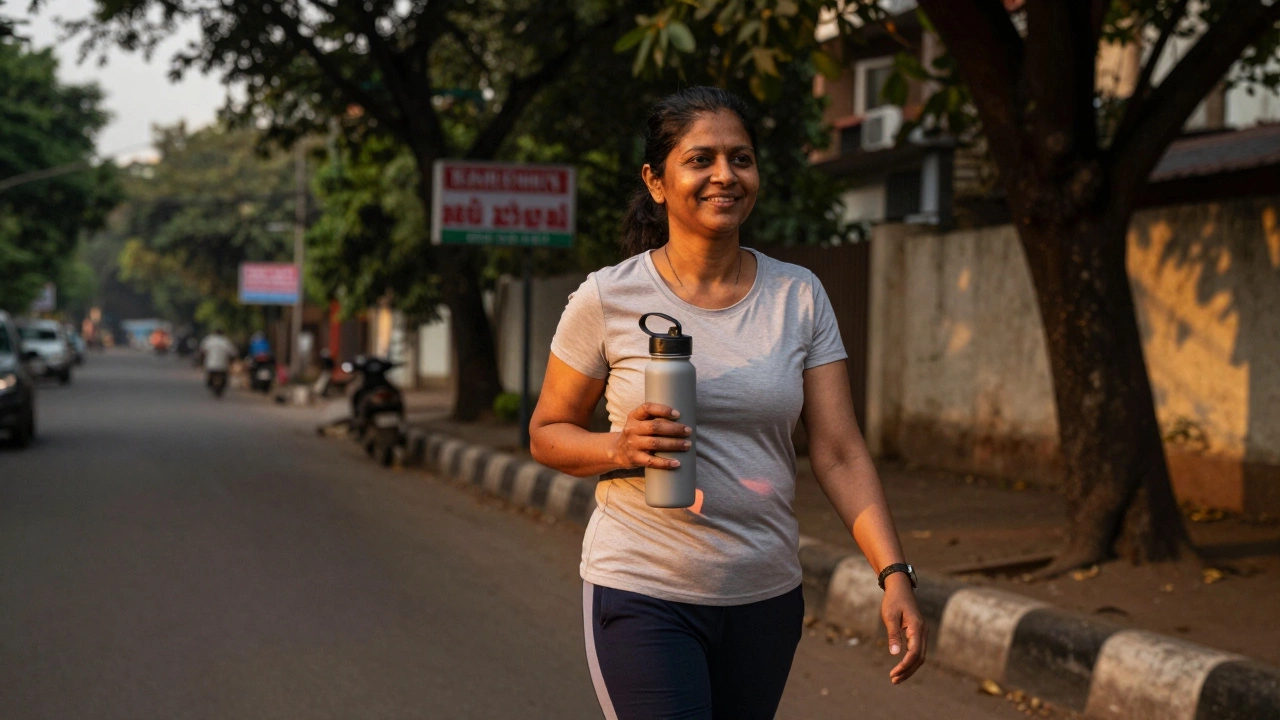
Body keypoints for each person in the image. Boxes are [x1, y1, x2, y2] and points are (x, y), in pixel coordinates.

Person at [529, 87, 927, 719]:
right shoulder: (609, 297)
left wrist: (894, 573)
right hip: (643, 588)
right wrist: (617, 447)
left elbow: (839, 451)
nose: (725, 175)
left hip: (764, 596)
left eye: (741, 158)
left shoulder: (799, 296)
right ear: (656, 181)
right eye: (701, 159)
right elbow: (548, 431)